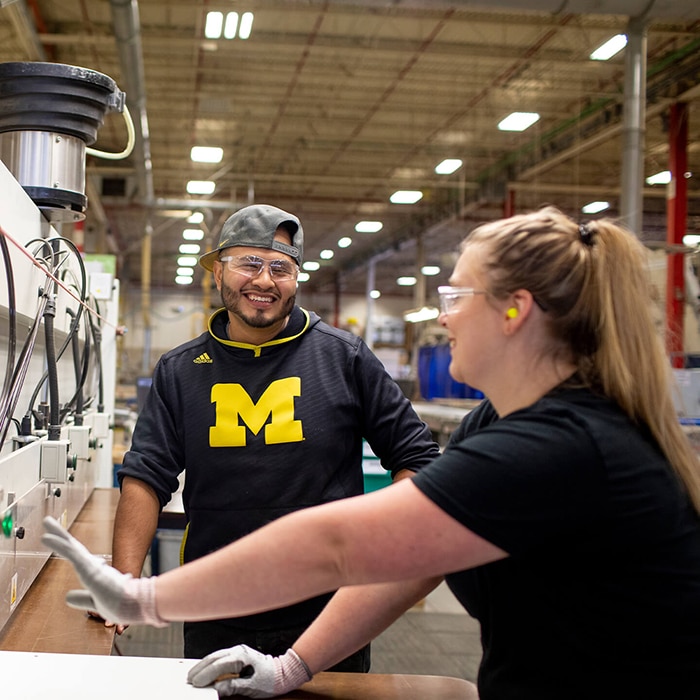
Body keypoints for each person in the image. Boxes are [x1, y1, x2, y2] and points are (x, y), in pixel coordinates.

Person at [44, 206, 700, 699]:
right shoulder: (491, 425)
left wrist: (146, 599)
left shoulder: (558, 448)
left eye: (453, 297)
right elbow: (412, 557)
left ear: (514, 312)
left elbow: (342, 548)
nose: (440, 319)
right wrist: (294, 668)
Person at [108, 203, 441, 668]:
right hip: (215, 605)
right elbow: (146, 475)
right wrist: (125, 578)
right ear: (218, 271)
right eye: (249, 263)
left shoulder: (343, 357)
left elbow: (419, 458)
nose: (264, 281)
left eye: (280, 268)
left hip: (327, 611)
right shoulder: (180, 370)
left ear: (296, 279)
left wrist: (376, 551)